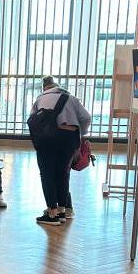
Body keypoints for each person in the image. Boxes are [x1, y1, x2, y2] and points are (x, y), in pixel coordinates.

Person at [29, 76, 91, 226]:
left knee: (47, 174)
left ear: (45, 88)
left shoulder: (40, 99)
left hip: (46, 140)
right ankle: (63, 211)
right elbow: (86, 117)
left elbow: (32, 119)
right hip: (68, 139)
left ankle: (52, 214)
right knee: (63, 174)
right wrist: (80, 132)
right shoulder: (71, 99)